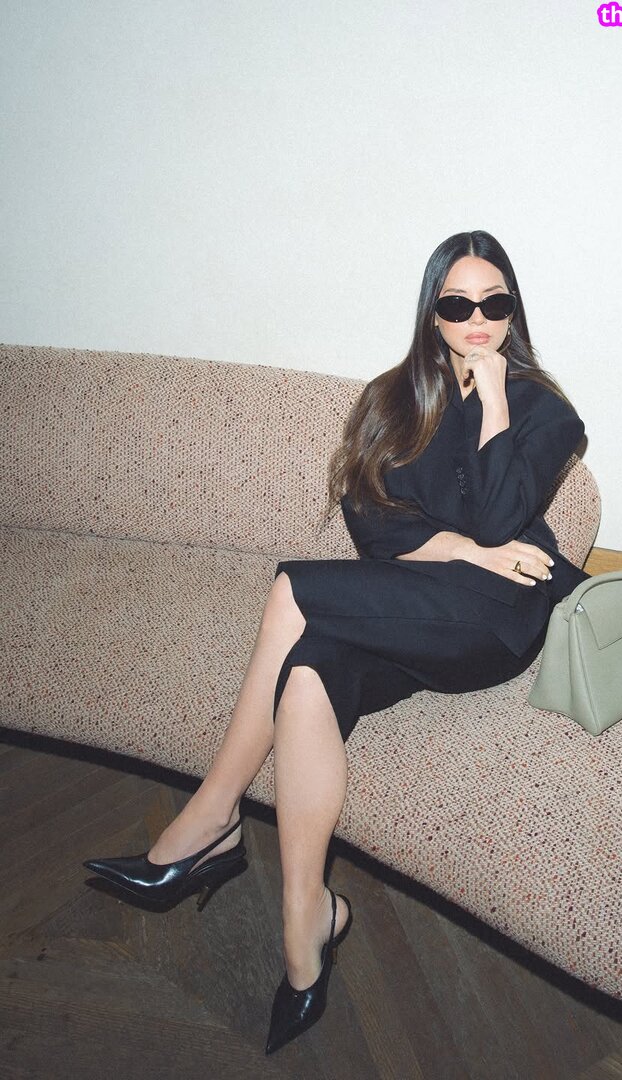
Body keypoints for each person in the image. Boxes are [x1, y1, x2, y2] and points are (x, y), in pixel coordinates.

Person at [83, 229, 588, 1055]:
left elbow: (504, 518)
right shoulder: (392, 399)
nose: (477, 319)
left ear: (512, 310)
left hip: (497, 618)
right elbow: (373, 524)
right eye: (457, 303)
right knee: (308, 673)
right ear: (431, 312)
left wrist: (495, 399)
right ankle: (307, 921)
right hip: (421, 600)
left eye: (493, 302)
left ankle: (209, 819)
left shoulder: (547, 411)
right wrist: (466, 549)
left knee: (293, 590)